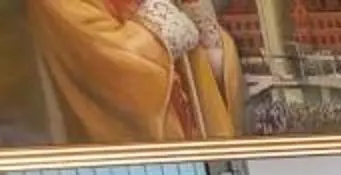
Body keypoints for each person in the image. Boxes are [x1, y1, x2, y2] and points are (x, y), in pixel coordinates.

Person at [24, 0, 243, 147]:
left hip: (196, 151)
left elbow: (199, 60)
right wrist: (159, 31)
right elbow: (107, 60)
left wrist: (210, 46)